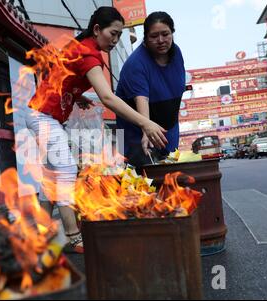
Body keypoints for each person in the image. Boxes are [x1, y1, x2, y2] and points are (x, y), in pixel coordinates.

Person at [25, 7, 168, 253]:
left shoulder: (82, 50)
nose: (115, 40)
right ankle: (72, 234)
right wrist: (145, 122)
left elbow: (64, 78)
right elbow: (107, 97)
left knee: (50, 179)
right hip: (42, 116)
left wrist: (77, 96)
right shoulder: (87, 54)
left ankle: (36, 237)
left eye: (119, 35)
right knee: (67, 169)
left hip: (43, 115)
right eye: (113, 33)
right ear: (97, 30)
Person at [116, 11, 186, 167]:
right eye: (154, 36)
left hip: (168, 131)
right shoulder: (136, 63)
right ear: (145, 38)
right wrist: (145, 129)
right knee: (143, 183)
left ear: (172, 33)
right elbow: (142, 98)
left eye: (165, 34)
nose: (161, 40)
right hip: (134, 134)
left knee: (171, 181)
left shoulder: (177, 53)